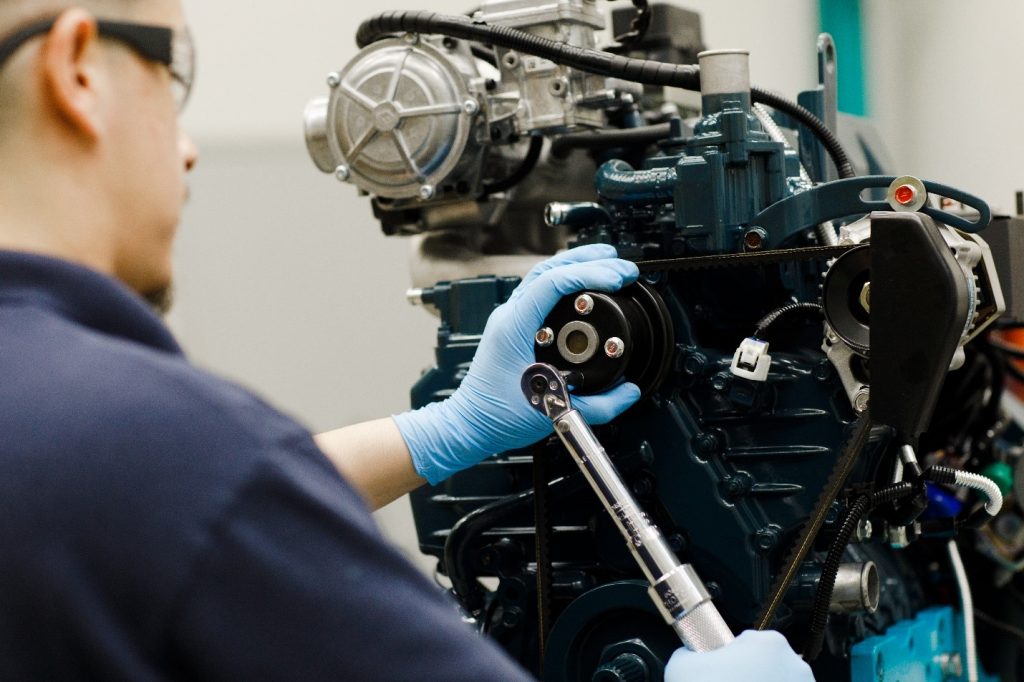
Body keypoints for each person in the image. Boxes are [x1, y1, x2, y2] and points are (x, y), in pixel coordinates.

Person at [0, 0, 815, 679]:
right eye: (171, 77)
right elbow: (184, 493)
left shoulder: (110, 454)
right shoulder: (166, 449)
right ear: (76, 67)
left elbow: (164, 508)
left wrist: (446, 430)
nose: (187, 146)